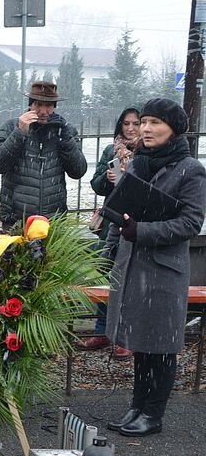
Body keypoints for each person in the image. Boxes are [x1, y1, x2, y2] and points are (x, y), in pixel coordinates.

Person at [105, 98, 206, 437]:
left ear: (173, 129)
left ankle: (152, 414)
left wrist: (142, 231)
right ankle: (137, 407)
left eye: (154, 123)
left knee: (160, 346)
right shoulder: (138, 164)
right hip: (133, 266)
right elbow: (120, 208)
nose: (145, 129)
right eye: (143, 122)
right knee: (141, 343)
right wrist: (112, 245)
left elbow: (190, 223)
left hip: (163, 271)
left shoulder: (190, 169)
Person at [77, 107, 140, 360]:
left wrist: (130, 178)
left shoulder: (147, 151)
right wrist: (108, 176)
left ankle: (126, 336)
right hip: (111, 221)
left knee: (131, 279)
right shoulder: (111, 150)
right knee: (105, 274)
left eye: (136, 123)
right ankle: (102, 331)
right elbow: (97, 185)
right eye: (126, 123)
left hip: (136, 220)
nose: (131, 128)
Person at [0, 80, 88, 231]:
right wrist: (19, 133)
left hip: (53, 221)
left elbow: (78, 171)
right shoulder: (11, 127)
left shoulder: (65, 131)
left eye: (48, 106)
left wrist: (65, 138)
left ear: (54, 107)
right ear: (30, 105)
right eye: (38, 105)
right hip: (17, 220)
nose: (43, 111)